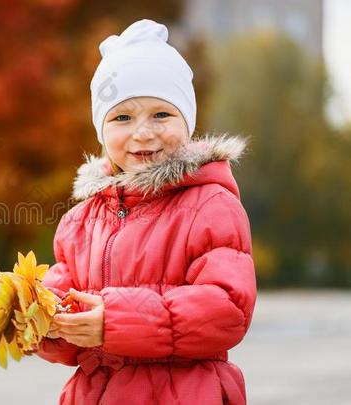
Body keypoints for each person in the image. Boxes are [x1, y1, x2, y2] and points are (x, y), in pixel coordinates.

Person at [35, 19, 257, 405]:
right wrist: (40, 321)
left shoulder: (210, 206)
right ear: (101, 131)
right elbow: (64, 322)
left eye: (161, 115)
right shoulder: (79, 223)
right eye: (122, 117)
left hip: (184, 393)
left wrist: (115, 321)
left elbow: (227, 309)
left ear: (187, 123)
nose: (143, 132)